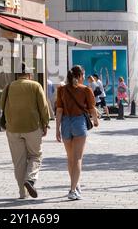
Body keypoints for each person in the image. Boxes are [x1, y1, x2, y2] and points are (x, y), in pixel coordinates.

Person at [0, 62, 50, 199]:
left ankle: (22, 193)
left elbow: (1, 104)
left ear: (17, 75)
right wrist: (45, 124)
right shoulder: (35, 85)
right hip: (32, 127)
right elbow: (43, 107)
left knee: (19, 161)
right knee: (36, 155)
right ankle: (30, 179)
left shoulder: (9, 86)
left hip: (13, 128)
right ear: (29, 74)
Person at [56, 66, 99, 200]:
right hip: (79, 122)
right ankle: (73, 190)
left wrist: (57, 128)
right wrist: (96, 121)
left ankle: (76, 184)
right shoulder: (86, 90)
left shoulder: (61, 89)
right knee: (78, 158)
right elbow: (92, 109)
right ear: (80, 75)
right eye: (83, 74)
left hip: (65, 123)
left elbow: (59, 110)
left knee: (70, 158)